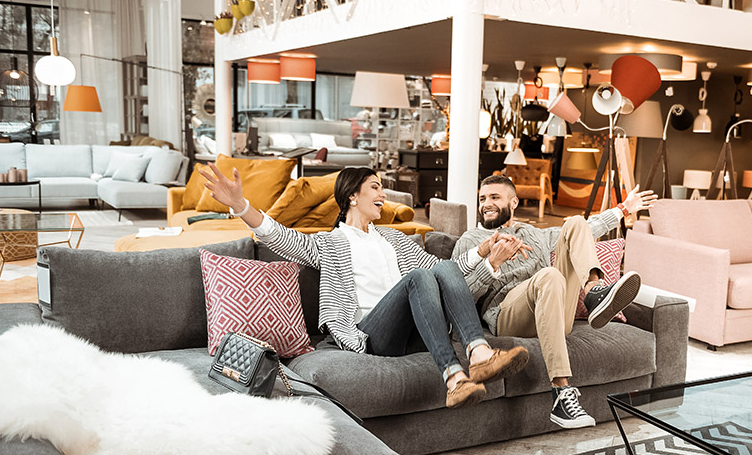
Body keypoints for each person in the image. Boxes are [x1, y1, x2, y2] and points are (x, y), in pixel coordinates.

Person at [200, 165, 530, 409]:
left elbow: (448, 272)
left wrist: (484, 251)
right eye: (375, 187)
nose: (383, 194)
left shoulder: (394, 238)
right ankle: (453, 377)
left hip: (417, 333)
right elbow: (279, 236)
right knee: (416, 278)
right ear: (352, 196)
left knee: (439, 268)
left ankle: (479, 355)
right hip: (372, 335)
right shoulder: (330, 244)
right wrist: (241, 206)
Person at [453, 175, 657, 428]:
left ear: (513, 202)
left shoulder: (531, 233)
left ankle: (594, 291)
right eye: (483, 198)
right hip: (508, 315)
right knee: (549, 274)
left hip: (554, 313)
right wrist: (492, 263)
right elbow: (458, 297)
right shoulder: (470, 241)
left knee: (576, 223)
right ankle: (561, 392)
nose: (486, 204)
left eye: (495, 197)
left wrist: (624, 208)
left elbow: (588, 229)